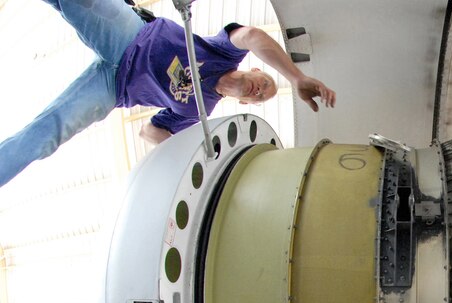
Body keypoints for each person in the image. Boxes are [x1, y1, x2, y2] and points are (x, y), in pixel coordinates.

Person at [0, 0, 336, 188]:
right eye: (262, 83)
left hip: (113, 88)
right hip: (130, 34)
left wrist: (203, 155)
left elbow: (150, 131)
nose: (258, 90)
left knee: (47, 136)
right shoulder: (223, 52)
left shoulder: (197, 112)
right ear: (256, 70)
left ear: (246, 103)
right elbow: (251, 36)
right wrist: (295, 77)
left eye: (260, 97)